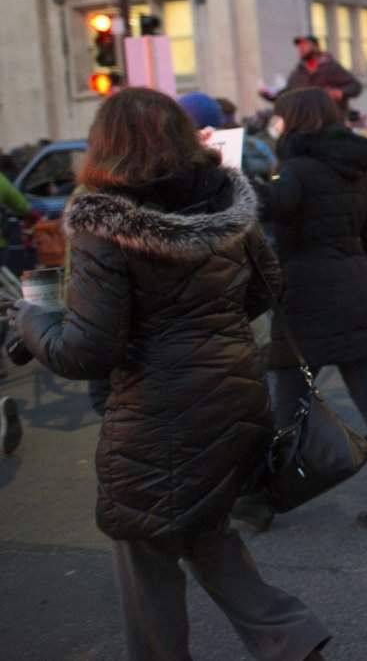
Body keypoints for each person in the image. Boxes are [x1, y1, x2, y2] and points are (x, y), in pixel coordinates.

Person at [10, 87, 330, 661]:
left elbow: (86, 351)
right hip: (234, 391)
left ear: (107, 145)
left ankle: (269, 639)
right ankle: (291, 637)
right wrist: (209, 331)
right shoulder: (227, 201)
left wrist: (31, 321)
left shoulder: (100, 221)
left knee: (144, 535)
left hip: (159, 411)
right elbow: (267, 286)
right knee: (200, 528)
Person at [256, 88, 367, 529]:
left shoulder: (293, 169)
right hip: (354, 293)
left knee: (286, 404)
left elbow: (268, 207)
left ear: (292, 120)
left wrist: (228, 176)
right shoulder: (352, 169)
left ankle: (264, 500)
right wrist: (350, 268)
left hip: (303, 302)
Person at [287, 34, 362, 117]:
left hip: (331, 119)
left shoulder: (331, 67)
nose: (301, 49)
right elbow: (287, 92)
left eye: (304, 45)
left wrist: (341, 92)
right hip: (307, 121)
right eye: (299, 46)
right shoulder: (297, 73)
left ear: (315, 47)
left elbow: (355, 86)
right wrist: (270, 94)